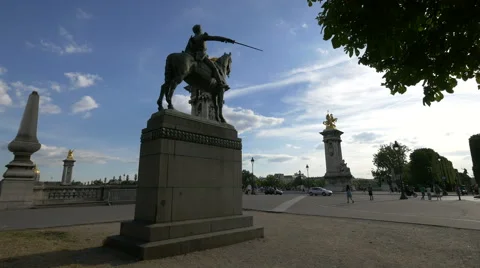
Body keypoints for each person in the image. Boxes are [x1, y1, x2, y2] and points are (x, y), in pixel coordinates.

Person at [184, 24, 235, 90]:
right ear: (199, 30)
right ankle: (220, 83)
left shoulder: (191, 39)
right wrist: (228, 40)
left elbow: (186, 50)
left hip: (193, 56)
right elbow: (215, 38)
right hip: (201, 56)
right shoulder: (202, 36)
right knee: (214, 68)